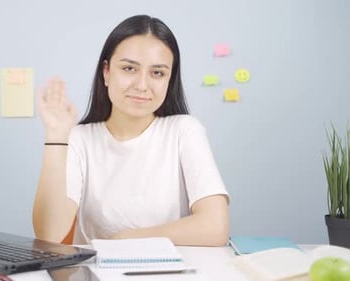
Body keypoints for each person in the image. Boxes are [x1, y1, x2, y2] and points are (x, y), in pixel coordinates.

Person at [32, 15, 229, 246]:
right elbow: (49, 236)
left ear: (169, 79)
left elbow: (215, 227)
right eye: (129, 68)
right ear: (106, 72)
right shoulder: (79, 138)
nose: (142, 85)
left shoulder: (185, 130)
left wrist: (126, 239)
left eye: (157, 73)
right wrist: (56, 135)